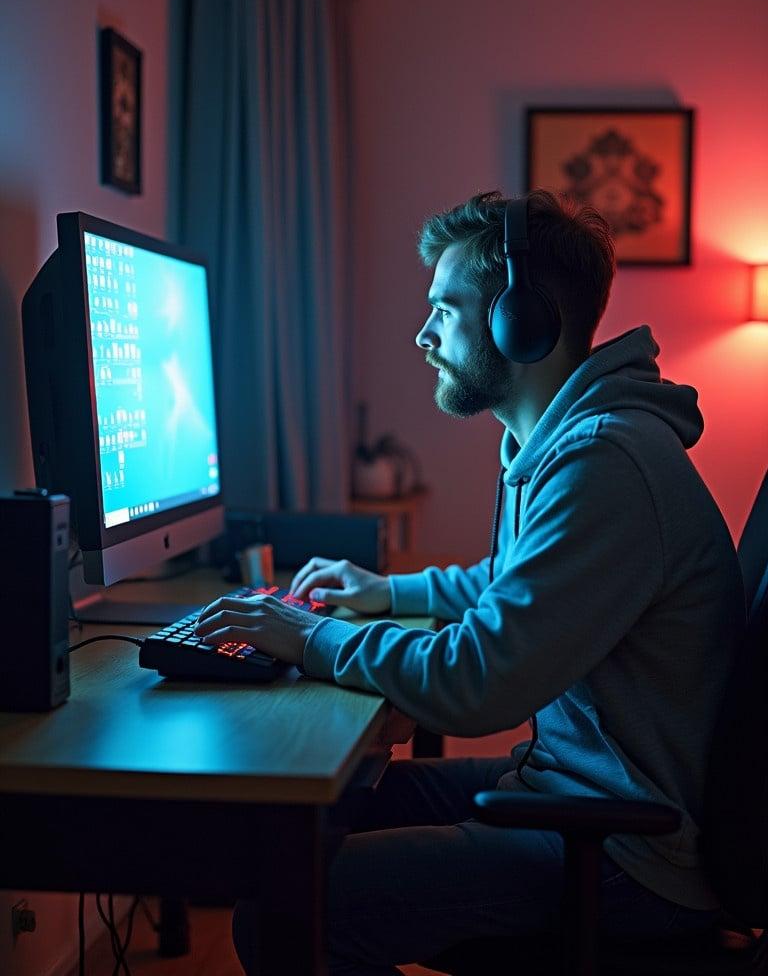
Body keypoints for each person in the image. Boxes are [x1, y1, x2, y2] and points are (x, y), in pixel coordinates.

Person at [195, 190, 746, 975]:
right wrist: (388, 592)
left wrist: (317, 637)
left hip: (630, 852)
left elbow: (478, 683)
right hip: (574, 792)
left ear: (519, 323)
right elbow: (515, 586)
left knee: (287, 908)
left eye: (444, 311)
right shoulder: (565, 441)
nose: (423, 336)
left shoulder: (604, 463)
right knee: (297, 826)